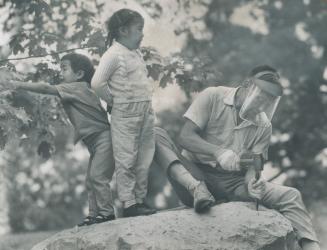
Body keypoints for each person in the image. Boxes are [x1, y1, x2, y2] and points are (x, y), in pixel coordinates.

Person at [153, 65, 320, 250]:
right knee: (154, 134)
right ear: (247, 84)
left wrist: (253, 182)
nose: (263, 103)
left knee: (291, 195)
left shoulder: (264, 125)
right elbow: (185, 137)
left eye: (270, 99)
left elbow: (254, 166)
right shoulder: (213, 96)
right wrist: (218, 152)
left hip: (233, 184)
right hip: (194, 175)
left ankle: (311, 247)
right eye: (262, 95)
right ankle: (196, 189)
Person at [5, 53, 116, 226]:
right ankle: (95, 215)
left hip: (104, 140)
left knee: (97, 177)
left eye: (64, 69)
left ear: (79, 74)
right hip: (96, 142)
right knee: (90, 181)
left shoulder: (77, 87)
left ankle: (107, 213)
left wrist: (16, 84)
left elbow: (45, 88)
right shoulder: (80, 89)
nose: (61, 73)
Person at [91, 9, 156, 217]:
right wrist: (113, 101)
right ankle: (129, 204)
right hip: (125, 113)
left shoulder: (135, 53)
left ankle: (140, 199)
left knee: (144, 157)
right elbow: (97, 83)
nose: (142, 34)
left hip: (145, 110)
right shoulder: (113, 54)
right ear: (123, 30)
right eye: (139, 29)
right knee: (126, 158)